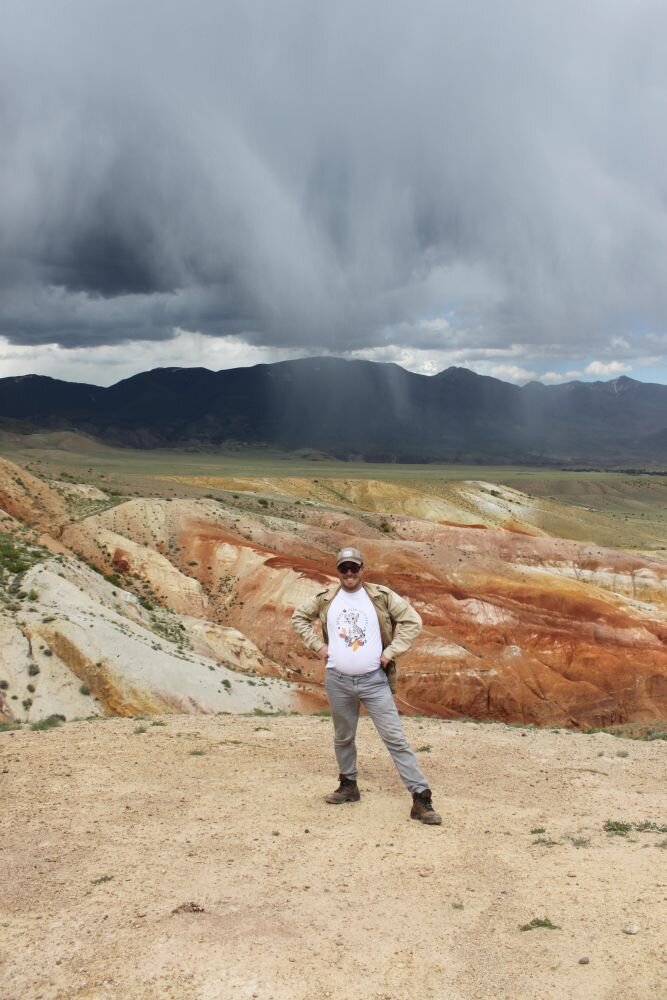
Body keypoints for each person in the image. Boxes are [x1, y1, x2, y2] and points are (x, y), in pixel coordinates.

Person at [291, 546, 442, 825]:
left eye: (354, 568)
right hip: (338, 680)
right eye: (343, 568)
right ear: (338, 571)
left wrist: (390, 653)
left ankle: (421, 798)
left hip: (374, 681)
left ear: (362, 569)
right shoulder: (327, 599)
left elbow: (412, 621)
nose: (349, 573)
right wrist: (317, 646)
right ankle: (348, 785)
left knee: (395, 738)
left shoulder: (380, 596)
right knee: (343, 737)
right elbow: (298, 617)